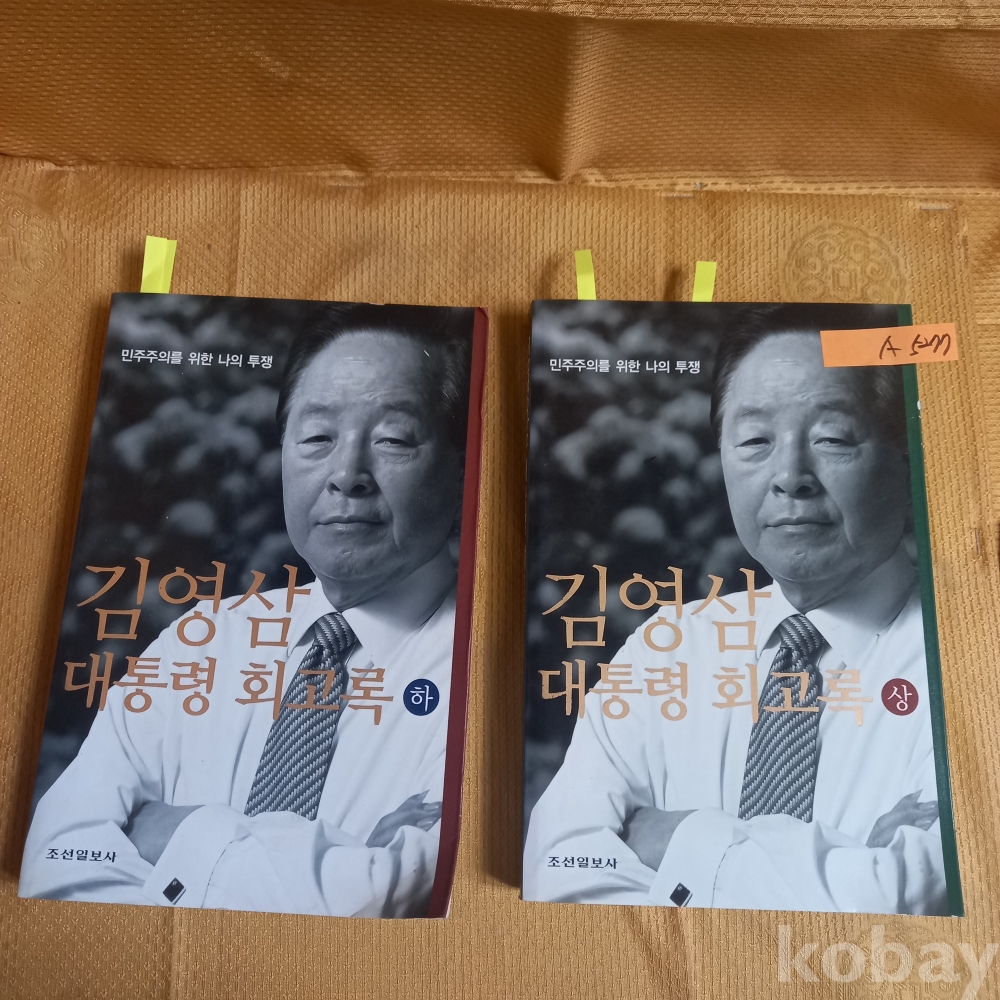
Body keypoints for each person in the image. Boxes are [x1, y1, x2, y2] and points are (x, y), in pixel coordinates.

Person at [20, 304, 473, 917]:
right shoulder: (200, 642)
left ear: (462, 468)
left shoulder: (482, 671)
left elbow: (383, 901)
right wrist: (338, 865)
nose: (347, 475)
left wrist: (172, 833)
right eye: (317, 438)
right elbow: (55, 866)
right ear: (284, 451)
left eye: (393, 439)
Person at [523, 310, 948, 914]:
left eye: (832, 437)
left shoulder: (967, 658)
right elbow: (558, 877)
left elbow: (912, 896)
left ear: (906, 457)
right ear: (723, 456)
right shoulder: (667, 648)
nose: (791, 478)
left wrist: (677, 839)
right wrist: (849, 869)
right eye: (754, 442)